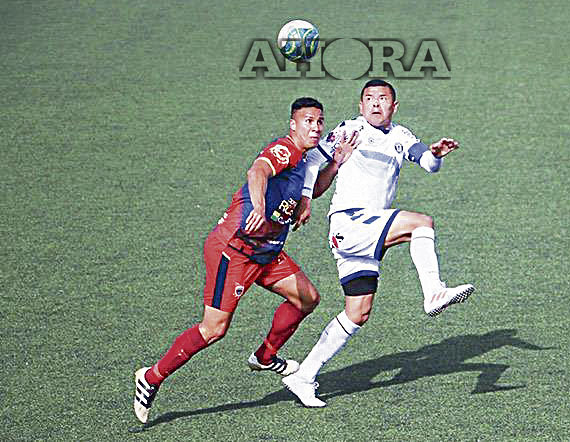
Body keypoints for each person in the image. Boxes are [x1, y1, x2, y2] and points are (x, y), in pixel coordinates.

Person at [132, 97, 356, 424]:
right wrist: (260, 207)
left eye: (319, 121)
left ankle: (265, 356)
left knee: (307, 298)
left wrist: (334, 165)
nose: (315, 127)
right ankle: (151, 377)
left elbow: (310, 190)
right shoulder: (285, 150)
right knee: (214, 329)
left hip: (266, 251)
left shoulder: (303, 159)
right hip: (235, 250)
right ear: (293, 124)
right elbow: (258, 171)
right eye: (308, 121)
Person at [282, 79, 475, 407]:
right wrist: (305, 198)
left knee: (357, 312)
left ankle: (303, 376)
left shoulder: (401, 136)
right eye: (369, 98)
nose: (375, 103)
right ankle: (434, 291)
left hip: (367, 228)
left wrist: (436, 154)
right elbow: (313, 161)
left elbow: (428, 164)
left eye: (383, 98)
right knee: (421, 223)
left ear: (393, 106)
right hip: (351, 221)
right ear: (360, 106)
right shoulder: (349, 130)